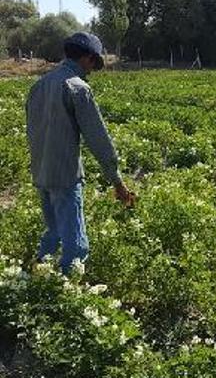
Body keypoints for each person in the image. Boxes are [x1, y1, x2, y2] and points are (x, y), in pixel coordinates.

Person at [25, 32, 134, 275]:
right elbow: (98, 139)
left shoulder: (38, 86)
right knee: (76, 245)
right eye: (95, 63)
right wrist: (117, 180)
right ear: (87, 57)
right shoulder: (78, 88)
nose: (93, 70)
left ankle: (37, 278)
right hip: (64, 176)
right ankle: (65, 291)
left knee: (53, 232)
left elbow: (32, 131)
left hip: (41, 172)